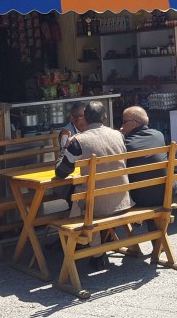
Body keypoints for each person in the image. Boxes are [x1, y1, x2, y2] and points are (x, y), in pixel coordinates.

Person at [55, 100, 133, 270]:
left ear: (85, 119)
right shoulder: (119, 135)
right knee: (91, 195)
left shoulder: (78, 141)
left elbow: (61, 172)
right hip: (122, 199)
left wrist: (64, 151)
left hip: (96, 207)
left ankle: (95, 253)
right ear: (105, 117)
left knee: (84, 199)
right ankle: (97, 251)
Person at [118, 106, 167, 209]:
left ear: (134, 123)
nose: (122, 125)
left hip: (140, 199)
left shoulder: (126, 144)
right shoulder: (159, 135)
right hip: (166, 194)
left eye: (124, 122)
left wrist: (121, 136)